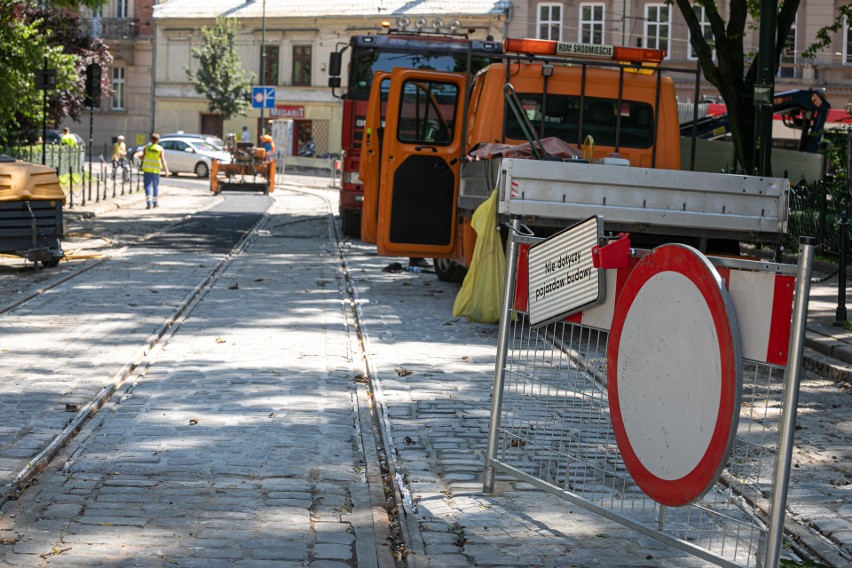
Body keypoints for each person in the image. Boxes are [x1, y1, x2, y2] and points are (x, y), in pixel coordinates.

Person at [135, 133, 169, 209]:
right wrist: (166, 170)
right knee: (155, 187)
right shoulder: (160, 149)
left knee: (147, 186)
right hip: (156, 170)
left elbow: (143, 157)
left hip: (147, 169)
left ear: (151, 139)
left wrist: (138, 155)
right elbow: (163, 159)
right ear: (158, 140)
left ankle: (149, 203)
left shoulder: (147, 148)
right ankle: (155, 202)